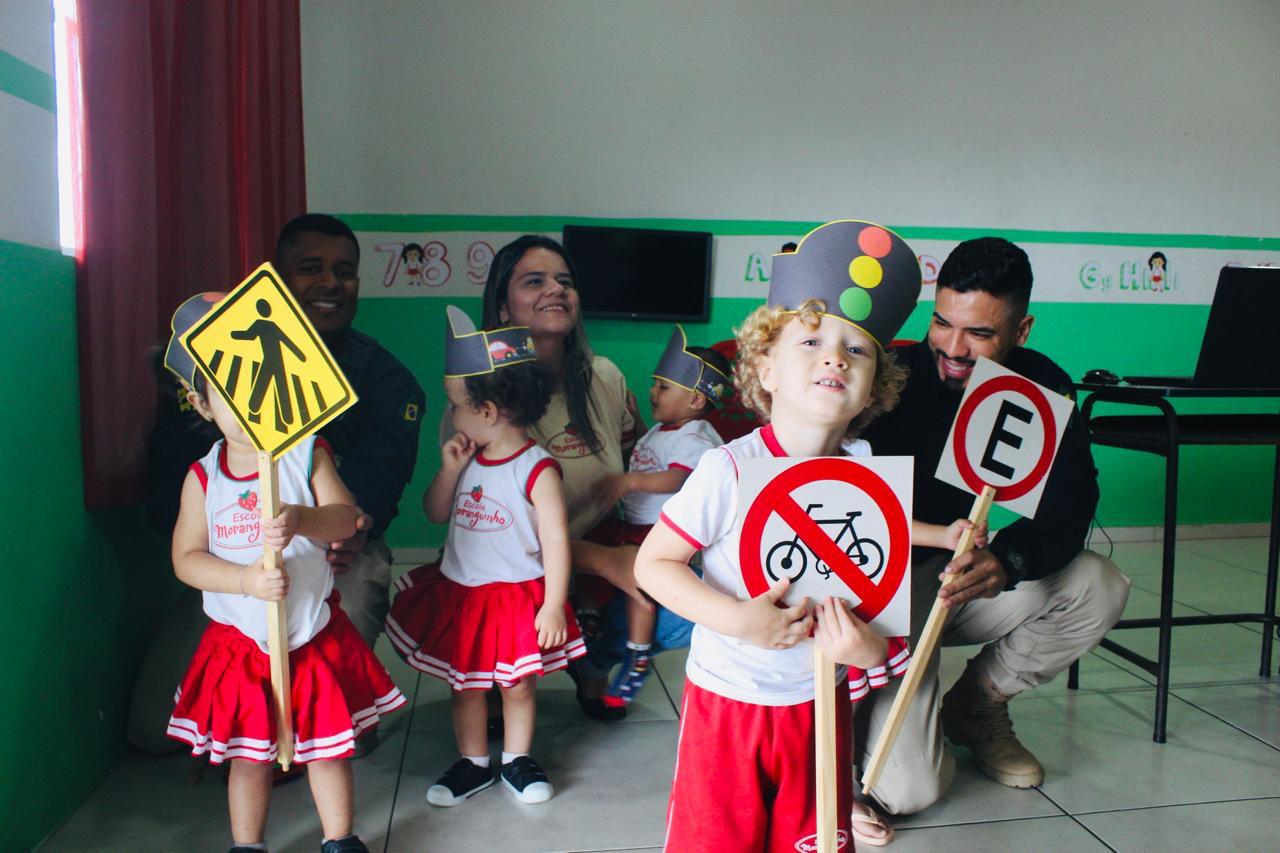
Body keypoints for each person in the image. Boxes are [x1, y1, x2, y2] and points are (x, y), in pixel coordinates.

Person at [636, 221, 976, 850]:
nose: (835, 357)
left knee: (812, 837)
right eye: (812, 339)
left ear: (874, 388)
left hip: (820, 703)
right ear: (765, 369)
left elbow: (878, 532)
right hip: (730, 703)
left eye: (858, 350)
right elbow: (654, 565)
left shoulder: (864, 468)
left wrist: (871, 647)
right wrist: (738, 619)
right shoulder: (727, 469)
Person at [129, 214, 425, 759]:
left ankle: (322, 723)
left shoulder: (388, 380)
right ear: (278, 281)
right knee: (153, 729)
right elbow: (169, 495)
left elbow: (375, 491)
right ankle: (253, 728)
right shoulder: (208, 370)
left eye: (344, 271)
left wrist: (340, 530)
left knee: (338, 732)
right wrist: (229, 565)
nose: (331, 283)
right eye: (311, 268)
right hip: (232, 563)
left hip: (335, 553)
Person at [858, 236, 1131, 814]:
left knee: (1099, 584)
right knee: (905, 791)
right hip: (885, 587)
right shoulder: (887, 377)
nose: (953, 348)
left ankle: (976, 707)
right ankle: (866, 718)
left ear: (1021, 330)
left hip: (963, 576)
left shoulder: (1045, 387)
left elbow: (1072, 504)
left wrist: (1007, 562)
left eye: (979, 333)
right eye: (942, 323)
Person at [163, 294, 405, 853]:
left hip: (310, 635)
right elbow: (186, 559)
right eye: (228, 394)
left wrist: (301, 519)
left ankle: (339, 837)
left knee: (326, 749)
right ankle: (247, 843)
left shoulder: (306, 453)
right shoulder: (203, 478)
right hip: (240, 644)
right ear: (202, 405)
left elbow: (346, 517)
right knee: (248, 758)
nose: (248, 403)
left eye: (256, 385)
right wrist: (244, 581)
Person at [481, 235, 693, 719]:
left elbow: (633, 462)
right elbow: (488, 532)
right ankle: (495, 676)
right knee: (496, 647)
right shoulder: (485, 389)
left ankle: (593, 659)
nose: (556, 289)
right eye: (534, 281)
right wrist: (603, 561)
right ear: (503, 305)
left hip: (597, 561)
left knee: (698, 597)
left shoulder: (605, 376)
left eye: (565, 281)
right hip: (513, 571)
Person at [386, 308, 585, 807]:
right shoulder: (467, 457)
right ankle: (473, 763)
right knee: (466, 686)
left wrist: (553, 605)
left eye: (457, 406)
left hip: (516, 597)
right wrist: (449, 471)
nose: (452, 416)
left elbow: (556, 542)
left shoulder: (537, 469)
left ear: (489, 411)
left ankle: (517, 758)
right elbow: (435, 512)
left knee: (517, 686)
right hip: (464, 594)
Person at [583, 327, 731, 708]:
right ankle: (592, 621)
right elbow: (657, 452)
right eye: (654, 384)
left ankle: (637, 655)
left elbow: (677, 477)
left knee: (640, 587)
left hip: (658, 532)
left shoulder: (697, 436)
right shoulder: (669, 431)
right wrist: (637, 419)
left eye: (664, 387)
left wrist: (629, 482)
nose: (652, 392)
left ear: (696, 399)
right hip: (632, 527)